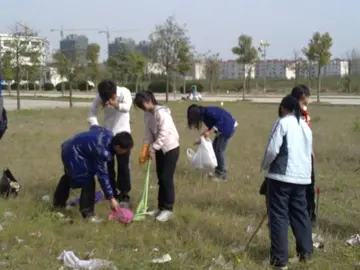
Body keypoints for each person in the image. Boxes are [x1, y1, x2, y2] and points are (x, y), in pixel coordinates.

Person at [261, 95, 313, 269]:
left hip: (282, 177)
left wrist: (265, 166)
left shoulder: (282, 122)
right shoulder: (305, 126)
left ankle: (279, 260)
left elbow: (272, 148)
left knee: (279, 217)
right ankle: (306, 254)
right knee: (300, 214)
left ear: (283, 108)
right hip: (302, 178)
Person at [53, 126, 134, 223]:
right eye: (125, 150)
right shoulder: (102, 151)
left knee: (69, 176)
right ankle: (88, 215)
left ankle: (58, 204)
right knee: (87, 180)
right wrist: (111, 198)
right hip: (74, 153)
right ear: (118, 147)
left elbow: (94, 128)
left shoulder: (109, 134)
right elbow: (103, 175)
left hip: (69, 146)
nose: (126, 152)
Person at [134, 91, 180, 222]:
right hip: (159, 149)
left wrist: (154, 148)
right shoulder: (147, 114)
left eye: (142, 104)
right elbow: (148, 131)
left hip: (170, 148)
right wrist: (145, 147)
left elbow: (164, 133)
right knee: (161, 178)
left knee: (166, 178)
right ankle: (161, 207)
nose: (142, 108)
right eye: (140, 106)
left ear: (149, 100)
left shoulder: (162, 112)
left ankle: (168, 209)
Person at [88, 79, 133, 206]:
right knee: (108, 167)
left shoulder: (124, 92)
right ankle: (111, 194)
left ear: (114, 93)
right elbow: (92, 111)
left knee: (124, 166)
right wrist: (95, 126)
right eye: (104, 98)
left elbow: (127, 108)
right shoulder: (100, 97)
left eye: (109, 97)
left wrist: (115, 104)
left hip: (123, 134)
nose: (106, 100)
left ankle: (124, 194)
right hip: (107, 135)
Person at [187, 104, 238, 181]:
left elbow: (221, 120)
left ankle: (222, 175)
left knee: (219, 150)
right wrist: (202, 137)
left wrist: (210, 132)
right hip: (223, 129)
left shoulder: (209, 111)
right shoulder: (204, 115)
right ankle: (218, 171)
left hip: (227, 128)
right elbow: (213, 125)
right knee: (215, 148)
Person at [290, 84, 316, 224]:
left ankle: (310, 214)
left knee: (309, 186)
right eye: (308, 96)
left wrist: (311, 151)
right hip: (298, 156)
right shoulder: (293, 114)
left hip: (306, 154)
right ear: (303, 97)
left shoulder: (305, 112)